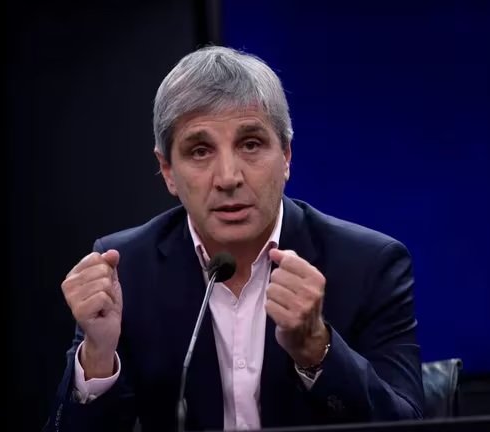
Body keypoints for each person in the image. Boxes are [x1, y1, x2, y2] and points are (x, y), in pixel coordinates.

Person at [45, 46, 423, 431]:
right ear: (168, 171)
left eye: (250, 144)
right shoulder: (126, 270)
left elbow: (408, 424)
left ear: (286, 156)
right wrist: (98, 355)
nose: (228, 178)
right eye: (200, 151)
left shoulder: (368, 265)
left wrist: (316, 349)